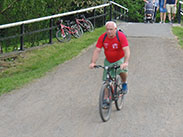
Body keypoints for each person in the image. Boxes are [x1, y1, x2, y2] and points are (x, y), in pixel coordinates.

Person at [89, 21, 130, 94]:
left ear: (115, 29)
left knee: (122, 71)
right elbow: (97, 50)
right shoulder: (103, 37)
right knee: (106, 81)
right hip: (108, 60)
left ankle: (124, 83)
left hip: (119, 58)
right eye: (107, 29)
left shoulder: (120, 36)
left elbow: (126, 49)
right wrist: (93, 62)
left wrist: (125, 62)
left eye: (111, 29)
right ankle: (106, 100)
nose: (109, 31)